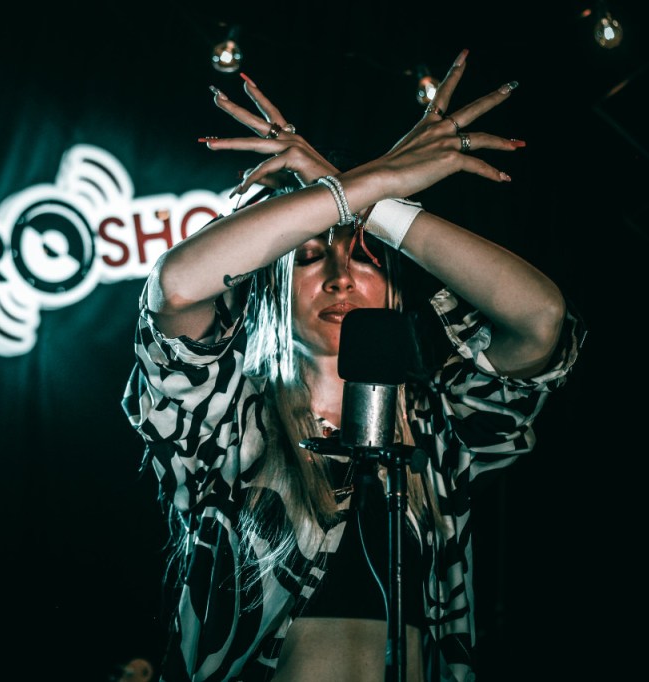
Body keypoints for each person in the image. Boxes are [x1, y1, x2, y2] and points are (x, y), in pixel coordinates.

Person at [121, 49, 586, 682]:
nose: (341, 277)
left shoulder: (436, 428)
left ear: (395, 289)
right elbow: (175, 288)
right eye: (310, 257)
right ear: (276, 292)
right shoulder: (227, 420)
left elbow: (540, 319)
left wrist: (374, 203)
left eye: (367, 256)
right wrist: (374, 181)